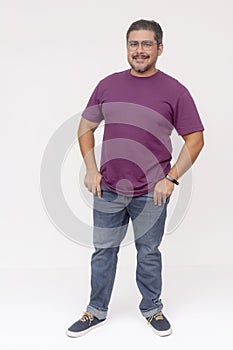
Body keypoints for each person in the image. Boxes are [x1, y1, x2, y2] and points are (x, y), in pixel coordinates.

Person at [66, 19, 204, 338]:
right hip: (109, 189)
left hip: (151, 192)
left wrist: (171, 178)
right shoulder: (108, 85)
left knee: (149, 252)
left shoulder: (175, 90)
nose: (139, 50)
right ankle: (96, 310)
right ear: (127, 47)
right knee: (103, 252)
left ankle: (152, 308)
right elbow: (85, 128)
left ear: (159, 48)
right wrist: (90, 168)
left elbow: (195, 138)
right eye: (133, 44)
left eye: (146, 44)